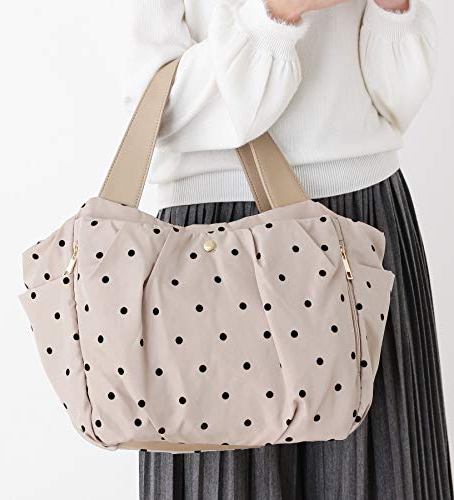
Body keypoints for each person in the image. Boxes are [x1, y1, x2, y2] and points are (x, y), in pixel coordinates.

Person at [118, 0, 453, 498]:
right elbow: (156, 106)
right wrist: (278, 13)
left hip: (362, 223)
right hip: (211, 246)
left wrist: (393, 9)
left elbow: (395, 102)